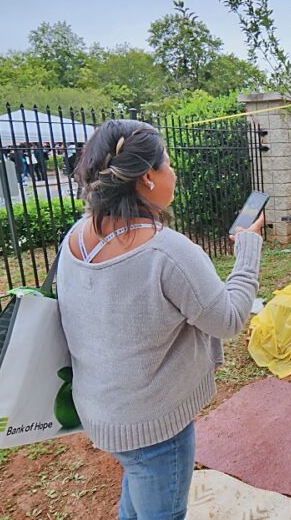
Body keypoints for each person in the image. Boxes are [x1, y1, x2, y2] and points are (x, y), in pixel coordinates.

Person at [56, 119, 264, 519]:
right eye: (167, 164)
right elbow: (230, 319)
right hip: (154, 427)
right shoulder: (167, 252)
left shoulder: (76, 237)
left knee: (136, 495)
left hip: (102, 412)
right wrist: (249, 248)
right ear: (147, 178)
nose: (174, 174)